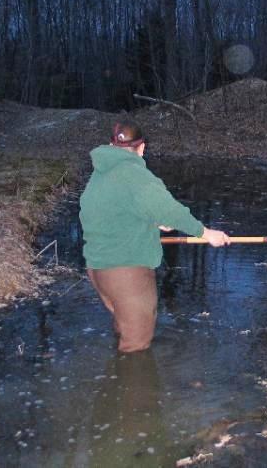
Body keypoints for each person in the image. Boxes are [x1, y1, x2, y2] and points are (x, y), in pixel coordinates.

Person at [79, 123, 230, 352]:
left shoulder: (101, 173)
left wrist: (151, 221)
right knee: (136, 346)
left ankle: (114, 379)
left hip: (98, 268)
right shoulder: (135, 175)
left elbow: (106, 212)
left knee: (124, 329)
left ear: (112, 145)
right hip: (125, 272)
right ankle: (134, 387)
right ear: (141, 148)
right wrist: (207, 234)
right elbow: (172, 211)